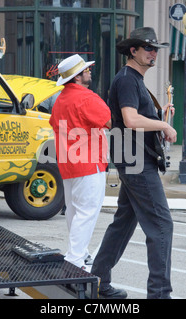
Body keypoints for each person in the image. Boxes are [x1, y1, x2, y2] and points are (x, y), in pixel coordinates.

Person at [90, 27, 177, 299]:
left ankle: (99, 282)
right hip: (136, 162)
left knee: (123, 222)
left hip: (133, 160)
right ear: (133, 51)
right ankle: (160, 294)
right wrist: (163, 123)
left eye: (155, 49)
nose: (153, 53)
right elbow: (130, 119)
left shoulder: (134, 80)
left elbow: (135, 117)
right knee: (162, 225)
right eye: (148, 48)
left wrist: (160, 114)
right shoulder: (127, 79)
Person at [49, 54, 111, 271]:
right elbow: (110, 121)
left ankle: (79, 254)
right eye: (86, 70)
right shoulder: (87, 98)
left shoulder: (60, 99)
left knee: (74, 212)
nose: (90, 72)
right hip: (89, 162)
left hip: (68, 164)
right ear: (77, 77)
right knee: (86, 212)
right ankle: (75, 259)